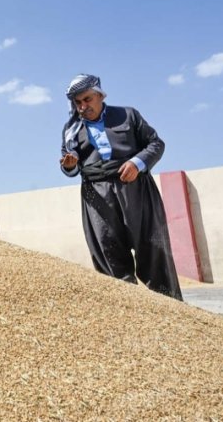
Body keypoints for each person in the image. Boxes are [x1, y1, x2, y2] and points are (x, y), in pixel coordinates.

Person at [60, 74, 183, 300]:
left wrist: (138, 163)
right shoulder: (71, 131)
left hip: (135, 187)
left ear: (100, 95)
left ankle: (172, 308)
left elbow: (156, 144)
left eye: (87, 99)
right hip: (96, 195)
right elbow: (70, 168)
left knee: (152, 248)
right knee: (109, 254)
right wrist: (69, 166)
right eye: (77, 102)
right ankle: (129, 314)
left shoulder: (128, 115)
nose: (82, 106)